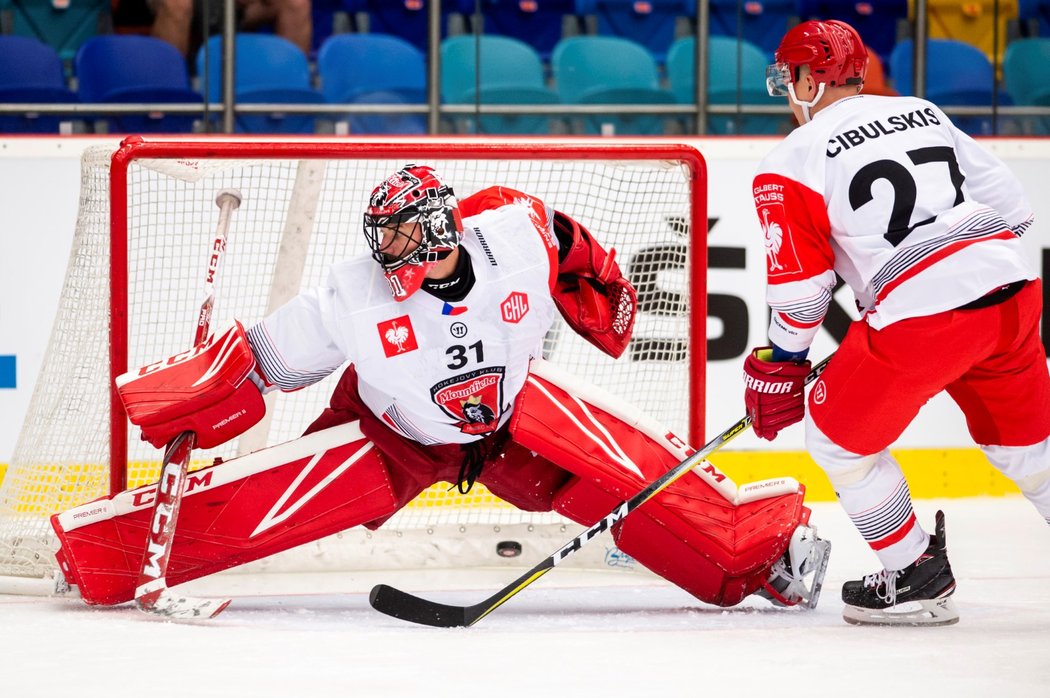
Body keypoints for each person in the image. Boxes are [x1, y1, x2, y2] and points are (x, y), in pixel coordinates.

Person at [58, 165, 830, 612]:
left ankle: (769, 559)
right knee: (276, 503)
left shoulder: (513, 236)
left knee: (631, 482)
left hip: (509, 422)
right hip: (394, 436)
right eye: (378, 235)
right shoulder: (354, 294)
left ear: (437, 231)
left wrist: (608, 303)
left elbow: (570, 246)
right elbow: (265, 356)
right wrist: (195, 393)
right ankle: (97, 556)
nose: (382, 250)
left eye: (397, 236)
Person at [742, 18, 1050, 626]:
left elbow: (803, 293)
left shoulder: (792, 157)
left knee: (837, 441)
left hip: (924, 319)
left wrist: (782, 363)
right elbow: (1013, 206)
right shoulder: (924, 111)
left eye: (790, 75)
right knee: (1030, 447)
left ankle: (911, 572)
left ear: (807, 76)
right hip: (1011, 291)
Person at [114, 0, 312, 58]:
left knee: (296, 4)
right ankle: (165, 93)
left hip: (232, 7)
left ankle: (289, 97)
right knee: (177, 4)